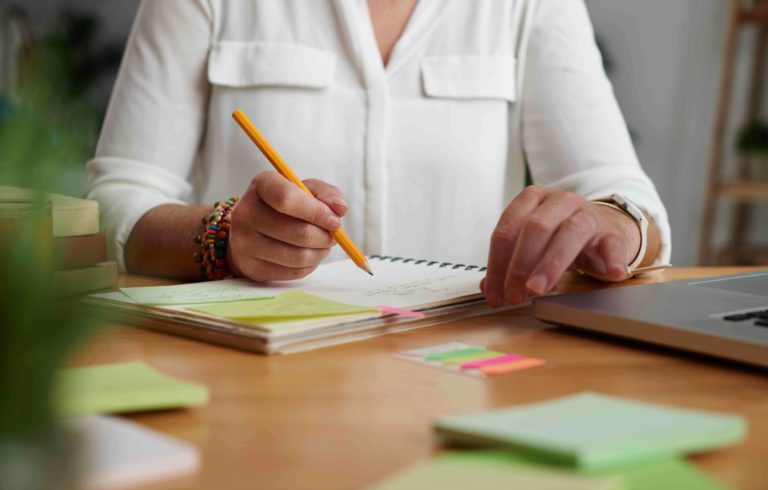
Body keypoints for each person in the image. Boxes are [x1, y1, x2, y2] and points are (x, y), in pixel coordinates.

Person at [85, 0, 670, 307]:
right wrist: (222, 237)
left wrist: (612, 220)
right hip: (254, 371)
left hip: (465, 365)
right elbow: (116, 201)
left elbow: (622, 191)